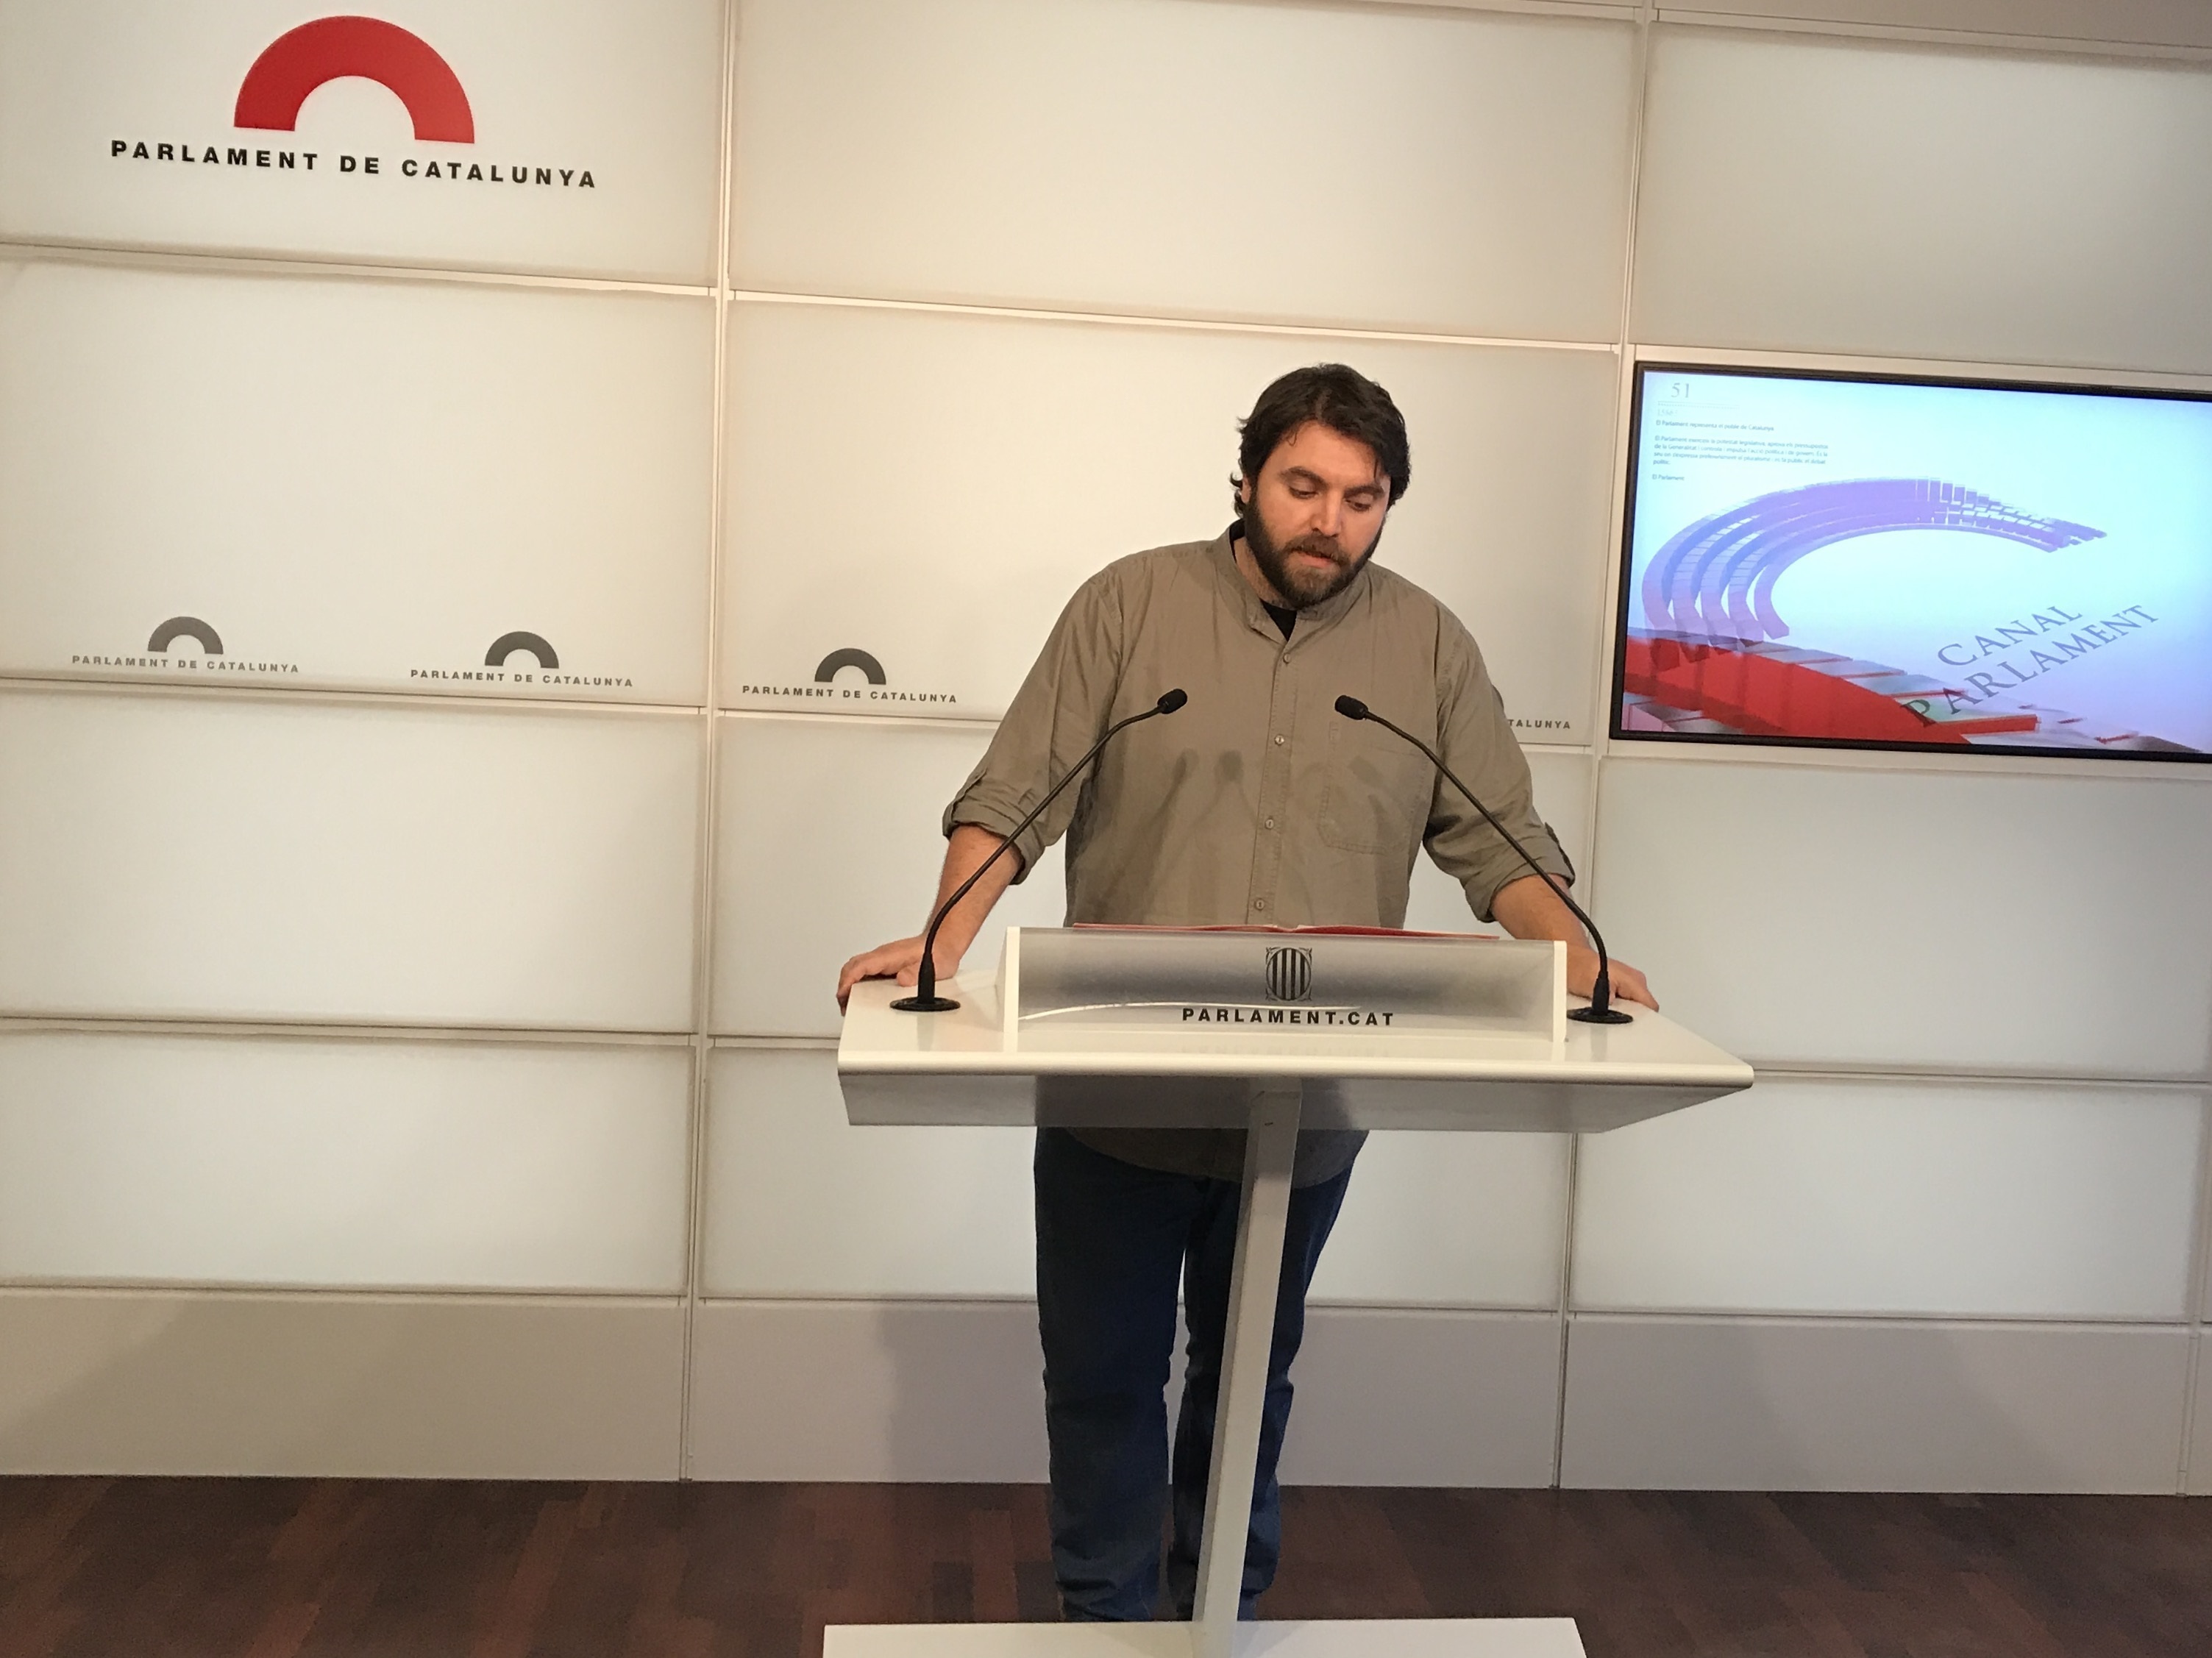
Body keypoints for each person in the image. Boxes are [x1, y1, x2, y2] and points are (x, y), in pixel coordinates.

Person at [837, 363, 1656, 1623]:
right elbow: (1020, 794)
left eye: (1362, 499)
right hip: (1117, 1098)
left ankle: (1219, 1612)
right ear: (1246, 480)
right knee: (1102, 1379)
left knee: (1249, 1379)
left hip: (1306, 1105)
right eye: (1303, 486)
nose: (1329, 520)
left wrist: (1582, 956)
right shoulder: (1129, 606)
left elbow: (1498, 842)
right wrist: (945, 939)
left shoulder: (1428, 647)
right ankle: (1111, 1624)